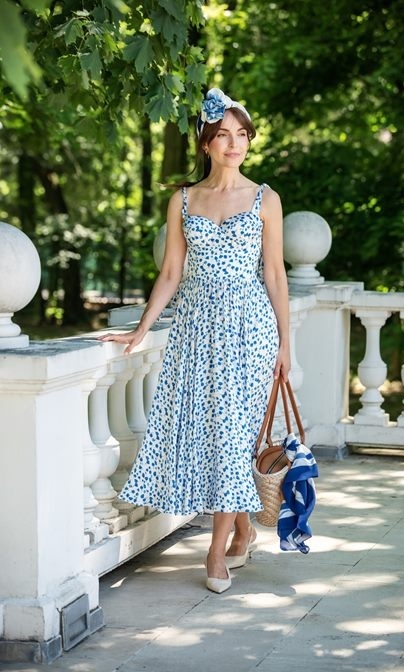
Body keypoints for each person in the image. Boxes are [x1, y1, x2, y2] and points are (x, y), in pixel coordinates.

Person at [98, 88, 290, 594]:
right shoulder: (183, 200)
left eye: (242, 134)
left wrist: (284, 345)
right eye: (224, 135)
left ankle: (215, 551)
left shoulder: (266, 199)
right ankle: (243, 530)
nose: (235, 144)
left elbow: (275, 274)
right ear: (207, 143)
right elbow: (170, 273)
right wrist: (141, 329)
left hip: (250, 330)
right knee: (214, 436)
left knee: (233, 437)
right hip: (196, 330)